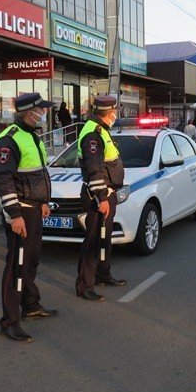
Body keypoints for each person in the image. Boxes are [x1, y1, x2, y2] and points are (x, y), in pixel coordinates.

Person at [0, 92, 58, 343]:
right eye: (40, 109)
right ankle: (9, 322)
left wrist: (42, 203)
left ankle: (31, 305)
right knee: (16, 266)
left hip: (34, 209)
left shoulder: (31, 135)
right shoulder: (8, 141)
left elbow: (37, 173)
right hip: (20, 211)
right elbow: (3, 180)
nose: (43, 113)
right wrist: (15, 215)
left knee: (30, 261)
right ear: (28, 112)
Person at [76, 95, 127, 302]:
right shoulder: (93, 135)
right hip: (99, 196)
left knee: (105, 238)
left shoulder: (101, 131)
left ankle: (103, 275)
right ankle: (84, 286)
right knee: (93, 241)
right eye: (115, 111)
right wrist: (102, 197)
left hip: (108, 194)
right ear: (108, 113)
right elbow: (94, 170)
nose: (116, 114)